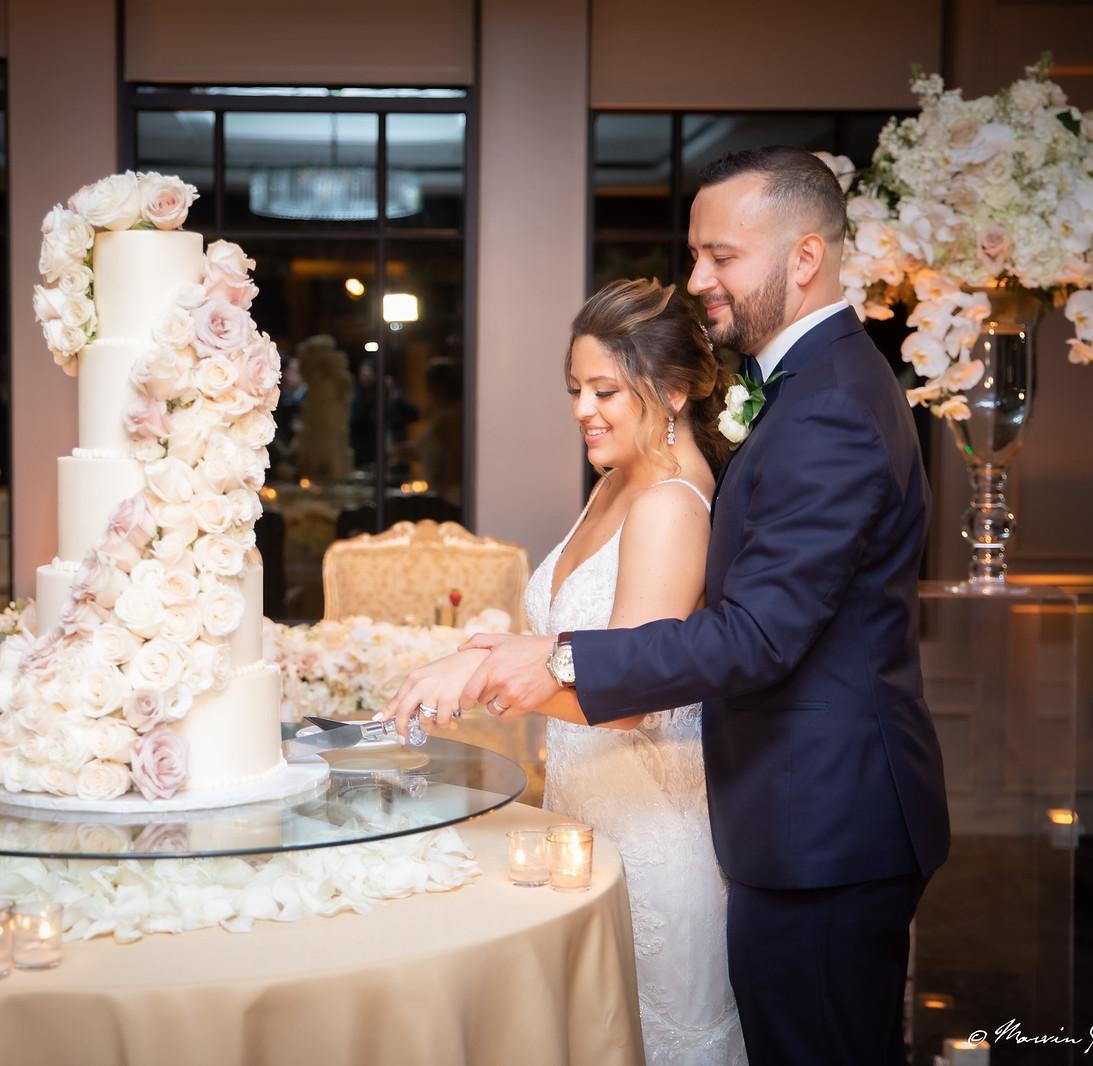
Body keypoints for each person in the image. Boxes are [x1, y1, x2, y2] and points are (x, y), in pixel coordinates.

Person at [391, 146, 950, 1066]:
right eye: (696, 255)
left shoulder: (833, 406)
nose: (698, 280)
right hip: (789, 816)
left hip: (822, 828)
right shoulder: (808, 389)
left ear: (805, 257)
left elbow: (758, 635)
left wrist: (554, 659)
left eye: (722, 256)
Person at [388, 277, 746, 1063]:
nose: (584, 409)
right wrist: (481, 655)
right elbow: (568, 642)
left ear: (674, 391)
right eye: (575, 389)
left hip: (653, 836)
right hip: (588, 815)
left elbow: (628, 699)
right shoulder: (617, 481)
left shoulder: (670, 505)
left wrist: (480, 680)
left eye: (605, 390)